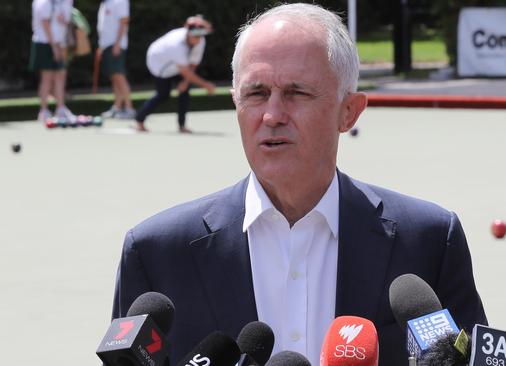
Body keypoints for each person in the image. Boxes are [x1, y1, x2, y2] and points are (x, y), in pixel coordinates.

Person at [111, 3, 487, 365]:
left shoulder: (430, 241)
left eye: (297, 93)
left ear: (349, 111)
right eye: (256, 93)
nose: (272, 115)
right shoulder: (157, 254)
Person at [133, 16, 216, 133]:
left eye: (200, 36)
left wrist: (185, 82)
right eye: (195, 36)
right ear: (188, 33)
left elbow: (192, 64)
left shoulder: (200, 41)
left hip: (179, 65)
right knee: (163, 94)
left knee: (185, 89)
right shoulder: (176, 45)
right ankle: (139, 120)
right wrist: (206, 85)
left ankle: (182, 126)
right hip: (159, 64)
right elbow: (186, 71)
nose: (197, 39)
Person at [29, 0, 75, 124]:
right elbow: (45, 23)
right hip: (45, 43)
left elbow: (63, 21)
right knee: (47, 78)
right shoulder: (44, 2)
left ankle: (61, 108)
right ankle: (44, 111)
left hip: (58, 42)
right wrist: (54, 46)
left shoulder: (59, 3)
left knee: (60, 75)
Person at [97, 0, 136, 120]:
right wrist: (101, 47)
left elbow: (123, 21)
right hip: (106, 45)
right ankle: (117, 107)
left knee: (119, 75)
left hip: (115, 44)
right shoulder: (105, 3)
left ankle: (129, 108)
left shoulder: (121, 1)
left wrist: (117, 44)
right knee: (114, 76)